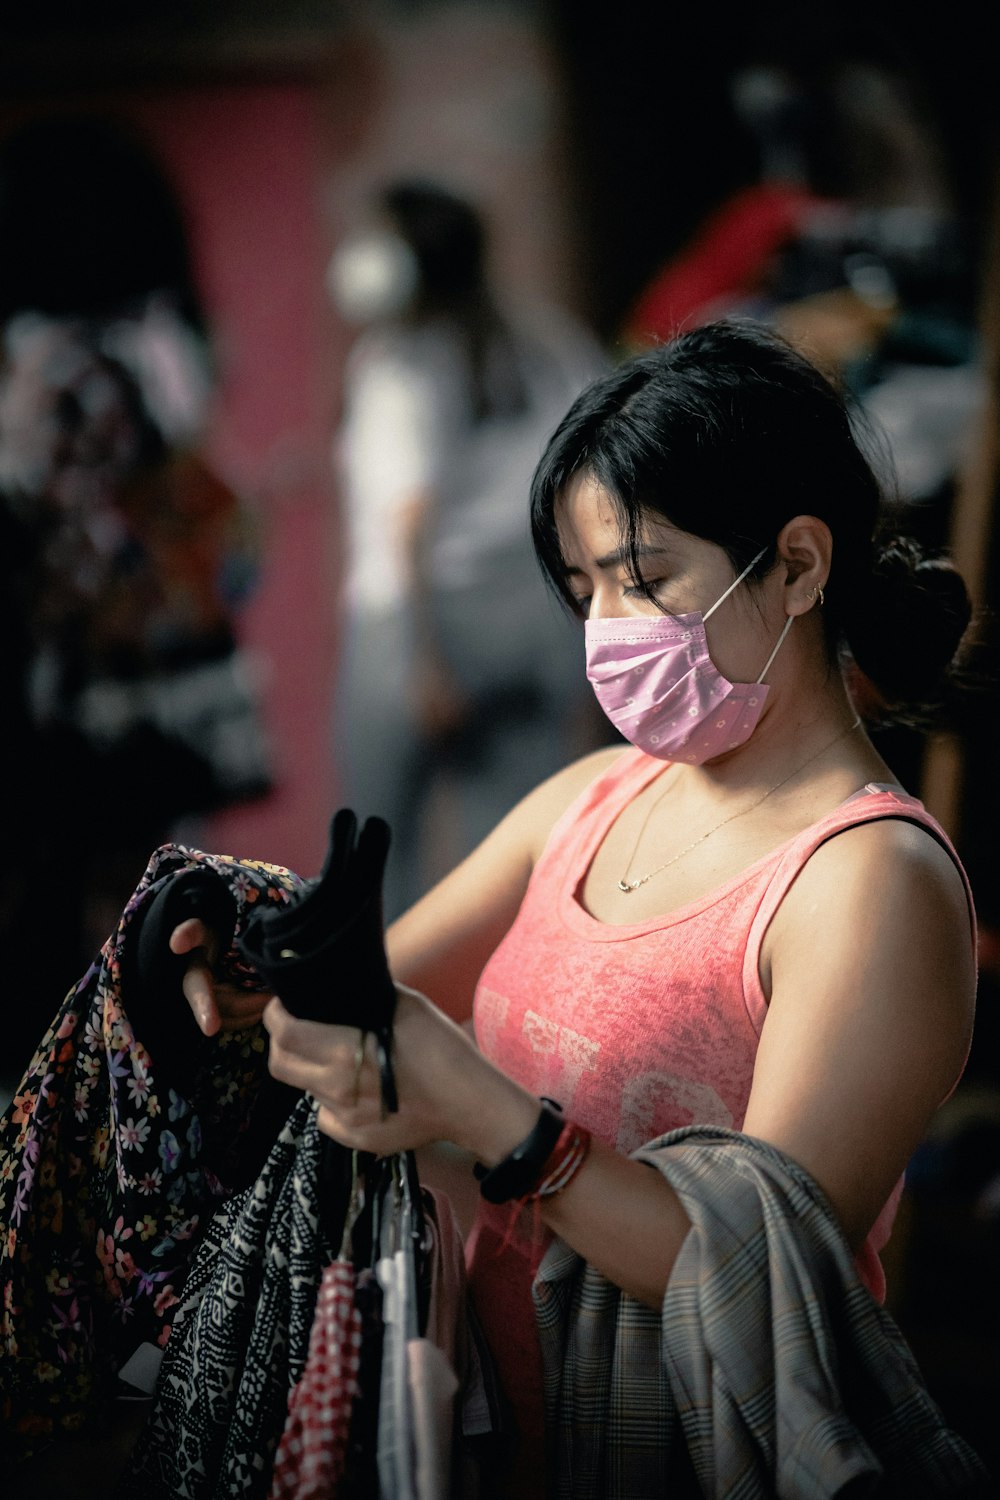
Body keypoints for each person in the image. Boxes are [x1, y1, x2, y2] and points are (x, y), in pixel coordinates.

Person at [7, 319, 984, 1493]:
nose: (610, 630)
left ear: (797, 564)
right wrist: (240, 965)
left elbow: (754, 1286)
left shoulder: (869, 883)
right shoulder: (594, 797)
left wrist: (483, 1111)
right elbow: (372, 986)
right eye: (586, 590)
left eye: (646, 577)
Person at [328, 177, 607, 919]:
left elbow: (408, 516)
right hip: (537, 615)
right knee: (512, 858)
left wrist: (425, 658)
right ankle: (494, 1027)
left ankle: (378, 1023)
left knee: (376, 860)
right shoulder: (547, 341)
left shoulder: (401, 362)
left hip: (419, 625)